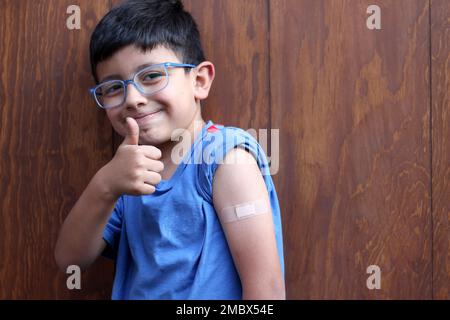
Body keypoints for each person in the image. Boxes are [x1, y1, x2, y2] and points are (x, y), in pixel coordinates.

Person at [55, 0, 285, 300]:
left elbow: (266, 291)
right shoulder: (126, 175)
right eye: (113, 87)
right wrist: (105, 185)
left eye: (151, 76)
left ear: (199, 81)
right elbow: (70, 259)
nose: (132, 99)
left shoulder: (226, 158)